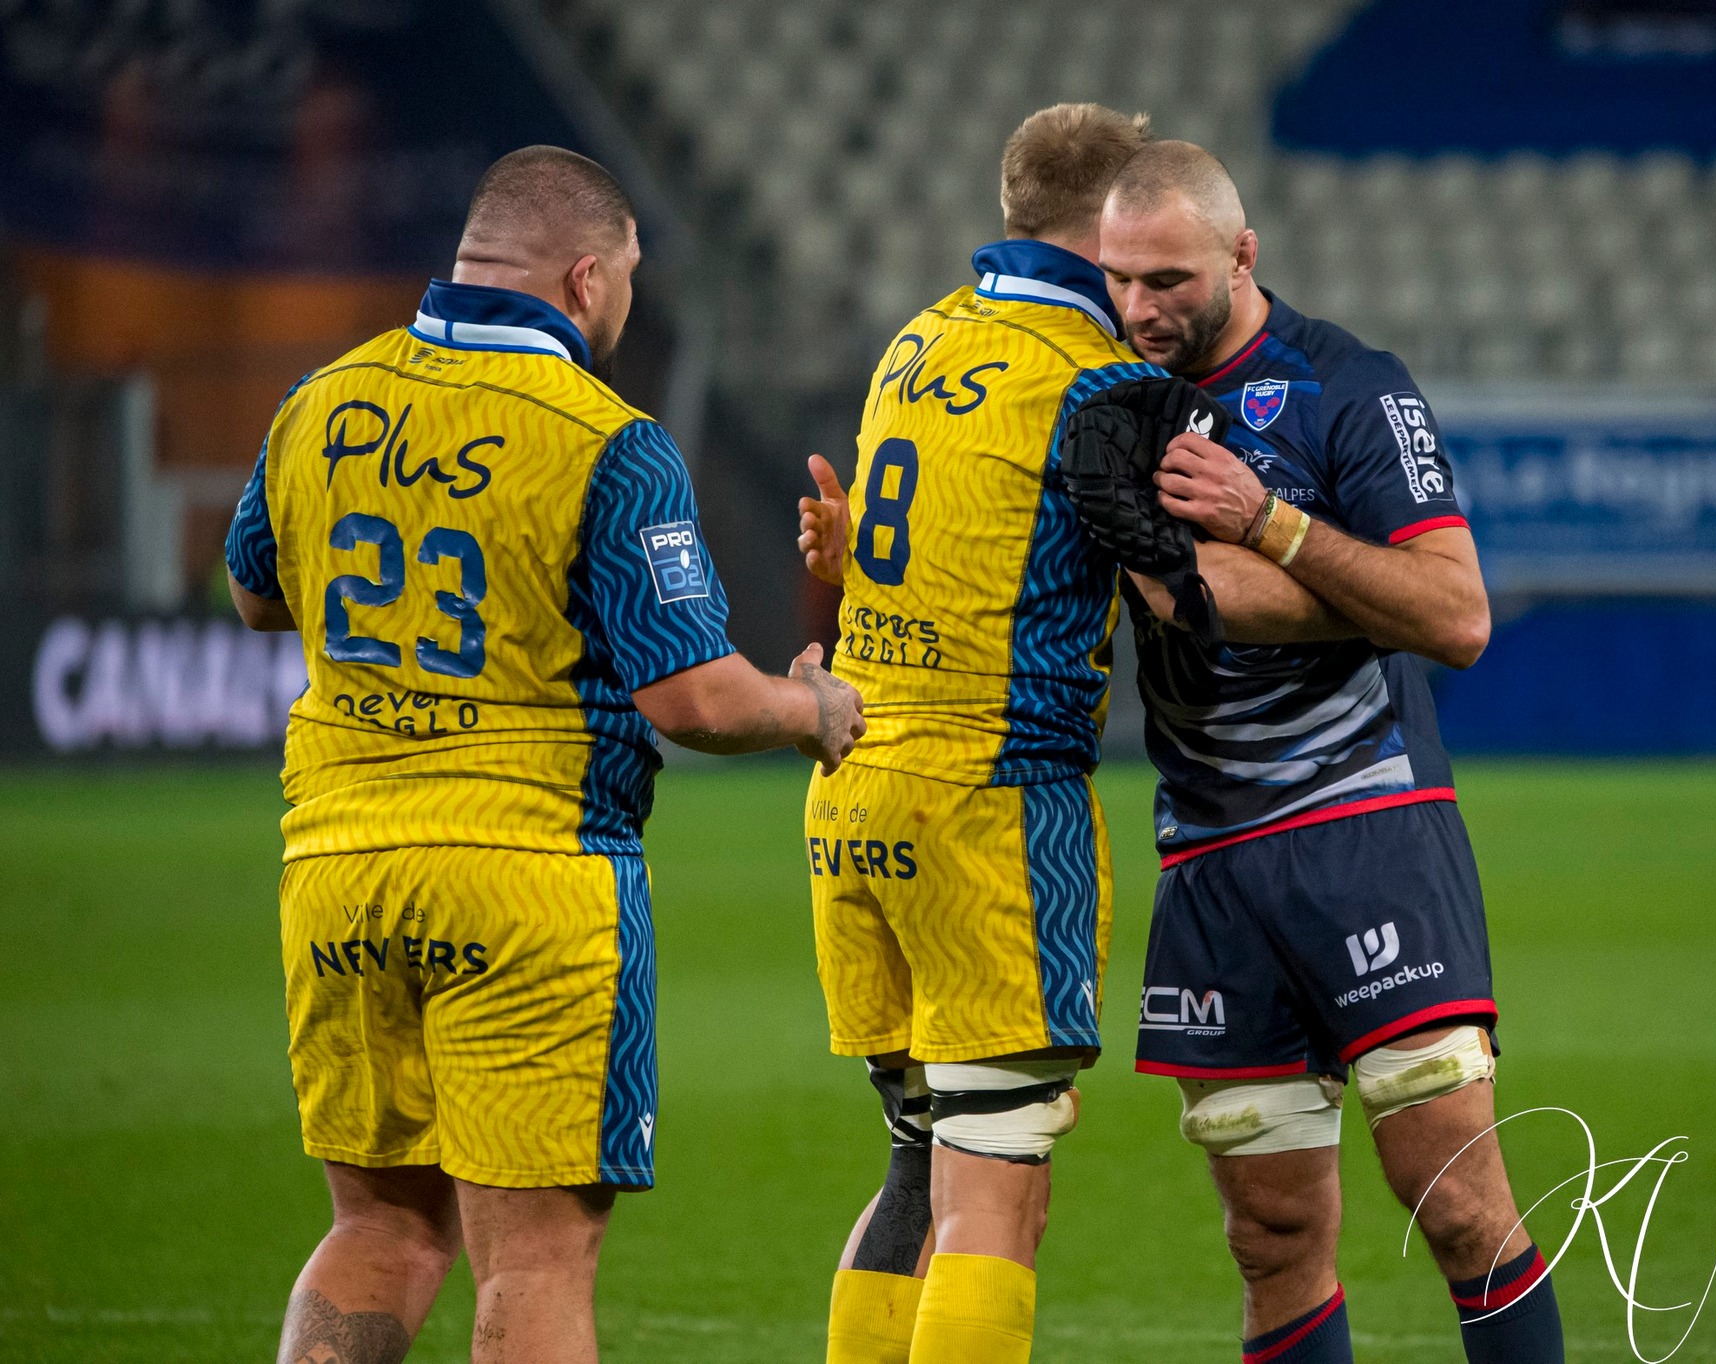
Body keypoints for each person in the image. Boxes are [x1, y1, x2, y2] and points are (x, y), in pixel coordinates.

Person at [225, 145, 864, 1364]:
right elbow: (690, 698)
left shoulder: (324, 395)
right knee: (533, 1254)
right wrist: (808, 708)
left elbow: (260, 593)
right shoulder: (604, 439)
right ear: (583, 278)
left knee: (383, 1225)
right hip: (529, 871)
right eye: (626, 277)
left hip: (337, 871)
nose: (626, 301)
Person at [1092, 141, 1567, 1364]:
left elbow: (1453, 614)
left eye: (1167, 279)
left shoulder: (1348, 386)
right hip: (1207, 856)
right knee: (1270, 1235)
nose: (1138, 308)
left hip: (1366, 832)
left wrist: (1271, 520)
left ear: (1243, 256)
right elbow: (1162, 595)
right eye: (1116, 280)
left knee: (1456, 1204)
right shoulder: (1106, 409)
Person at [794, 103, 1159, 1364]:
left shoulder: (915, 341)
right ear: (1110, 228)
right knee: (997, 1182)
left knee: (916, 1156)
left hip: (852, 788)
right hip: (985, 802)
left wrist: (844, 571)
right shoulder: (1100, 379)